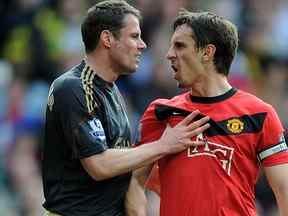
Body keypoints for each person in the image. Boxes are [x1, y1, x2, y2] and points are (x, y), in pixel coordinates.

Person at [41, 1, 210, 216]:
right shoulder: (73, 87)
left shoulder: (113, 91)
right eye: (134, 36)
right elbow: (99, 165)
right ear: (107, 39)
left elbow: (123, 165)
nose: (142, 45)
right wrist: (164, 145)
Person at [127, 10, 288, 216]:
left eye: (180, 45)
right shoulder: (162, 112)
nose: (169, 54)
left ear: (207, 52)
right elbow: (135, 181)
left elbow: (284, 191)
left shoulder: (260, 114)